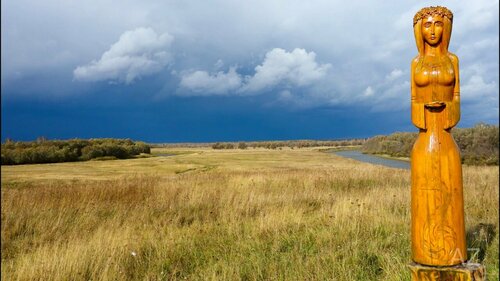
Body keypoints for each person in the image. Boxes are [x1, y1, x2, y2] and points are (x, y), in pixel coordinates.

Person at [410, 6, 466, 266]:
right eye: (427, 25)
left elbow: (456, 97)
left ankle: (453, 254)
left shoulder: (452, 60)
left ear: (447, 28)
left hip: (445, 137)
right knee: (425, 194)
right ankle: (424, 254)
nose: (432, 30)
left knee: (449, 193)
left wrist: (448, 112)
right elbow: (412, 98)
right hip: (424, 139)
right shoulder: (415, 63)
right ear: (419, 30)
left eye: (438, 24)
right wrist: (423, 110)